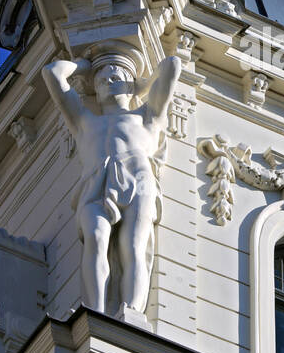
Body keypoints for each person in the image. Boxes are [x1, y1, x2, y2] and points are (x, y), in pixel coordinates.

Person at [43, 48, 181, 317]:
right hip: (96, 180)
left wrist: (144, 82)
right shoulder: (84, 121)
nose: (108, 82)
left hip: (138, 179)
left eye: (116, 77)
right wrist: (83, 65)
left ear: (130, 85)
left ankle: (131, 312)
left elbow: (172, 64)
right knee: (95, 237)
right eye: (102, 81)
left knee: (133, 247)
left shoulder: (147, 115)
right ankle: (93, 311)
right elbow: (52, 73)